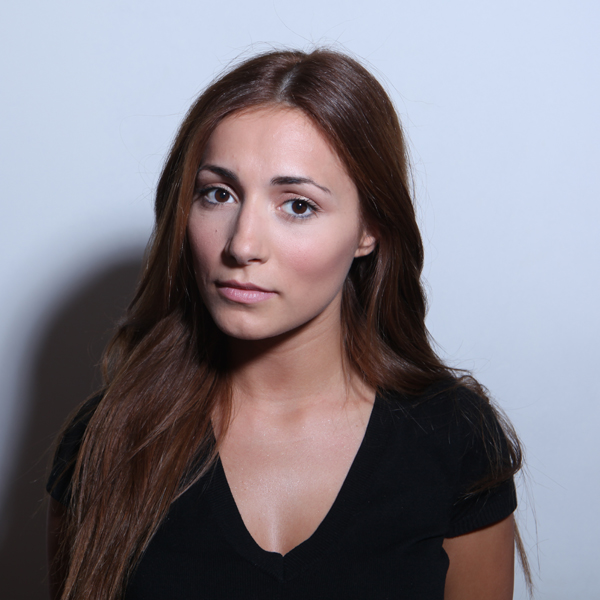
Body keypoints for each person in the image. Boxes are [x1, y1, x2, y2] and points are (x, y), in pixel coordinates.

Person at [46, 48, 526, 600]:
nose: (242, 244)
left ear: (369, 229)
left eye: (297, 205)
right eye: (218, 194)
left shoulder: (453, 437)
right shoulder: (107, 440)